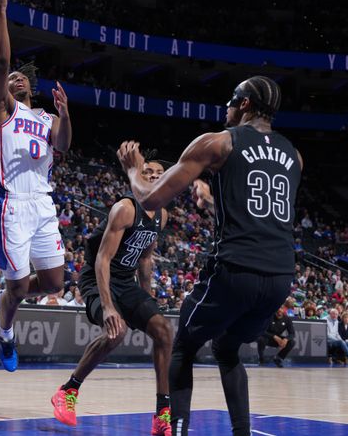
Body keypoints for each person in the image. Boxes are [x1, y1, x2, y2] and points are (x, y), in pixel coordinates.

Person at [116, 76, 302, 436]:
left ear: (246, 104)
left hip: (236, 267)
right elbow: (262, 212)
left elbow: (150, 198)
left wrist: (132, 169)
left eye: (232, 99)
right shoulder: (295, 156)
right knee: (228, 348)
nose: (226, 106)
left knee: (182, 346)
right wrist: (216, 201)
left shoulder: (218, 142)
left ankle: (179, 430)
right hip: (281, 277)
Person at [0, 0, 72, 372]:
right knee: (17, 285)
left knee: (54, 284)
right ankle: (5, 333)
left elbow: (63, 146)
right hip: (11, 203)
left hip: (42, 203)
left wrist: (66, 115)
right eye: (10, 78)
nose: (14, 78)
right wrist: (0, 9)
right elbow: (1, 61)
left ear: (30, 86)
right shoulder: (4, 109)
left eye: (20, 78)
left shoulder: (47, 116)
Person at [51, 160, 173, 433]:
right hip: (97, 277)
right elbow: (102, 260)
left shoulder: (162, 215)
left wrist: (146, 300)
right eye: (147, 172)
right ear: (137, 178)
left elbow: (145, 258)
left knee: (164, 330)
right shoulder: (125, 209)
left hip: (126, 281)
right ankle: (68, 391)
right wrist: (108, 307)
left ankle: (162, 414)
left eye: (159, 174)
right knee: (116, 332)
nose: (153, 177)